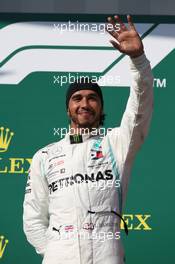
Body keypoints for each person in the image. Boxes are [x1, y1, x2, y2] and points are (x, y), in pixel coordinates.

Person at [23, 15, 153, 264]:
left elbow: (140, 108)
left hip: (108, 254)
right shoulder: (44, 156)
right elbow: (33, 217)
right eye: (77, 98)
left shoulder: (116, 143)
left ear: (101, 107)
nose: (85, 103)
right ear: (68, 109)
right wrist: (56, 250)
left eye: (92, 98)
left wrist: (138, 61)